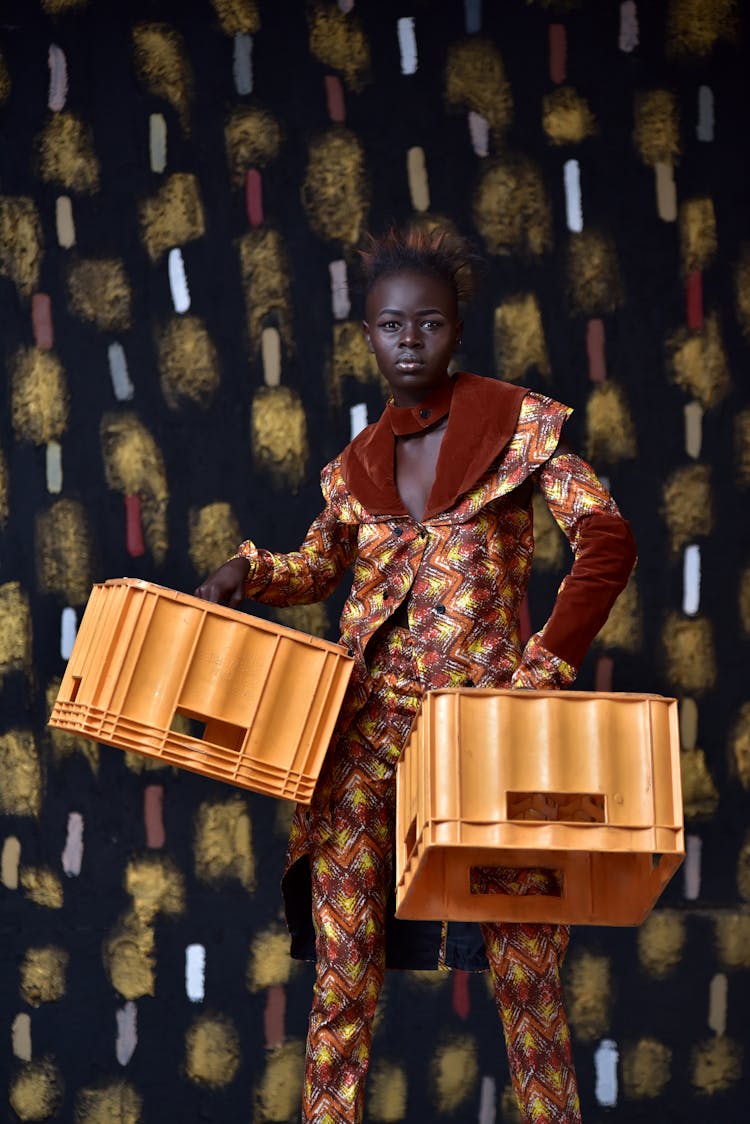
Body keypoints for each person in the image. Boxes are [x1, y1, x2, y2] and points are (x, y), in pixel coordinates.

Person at [196, 225, 637, 1124]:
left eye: (428, 324)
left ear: (456, 330)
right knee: (341, 966)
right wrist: (255, 570)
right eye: (391, 326)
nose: (409, 341)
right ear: (367, 336)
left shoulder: (519, 429)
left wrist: (545, 665)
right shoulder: (357, 464)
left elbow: (606, 539)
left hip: (484, 737)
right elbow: (322, 568)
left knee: (524, 966)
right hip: (362, 735)